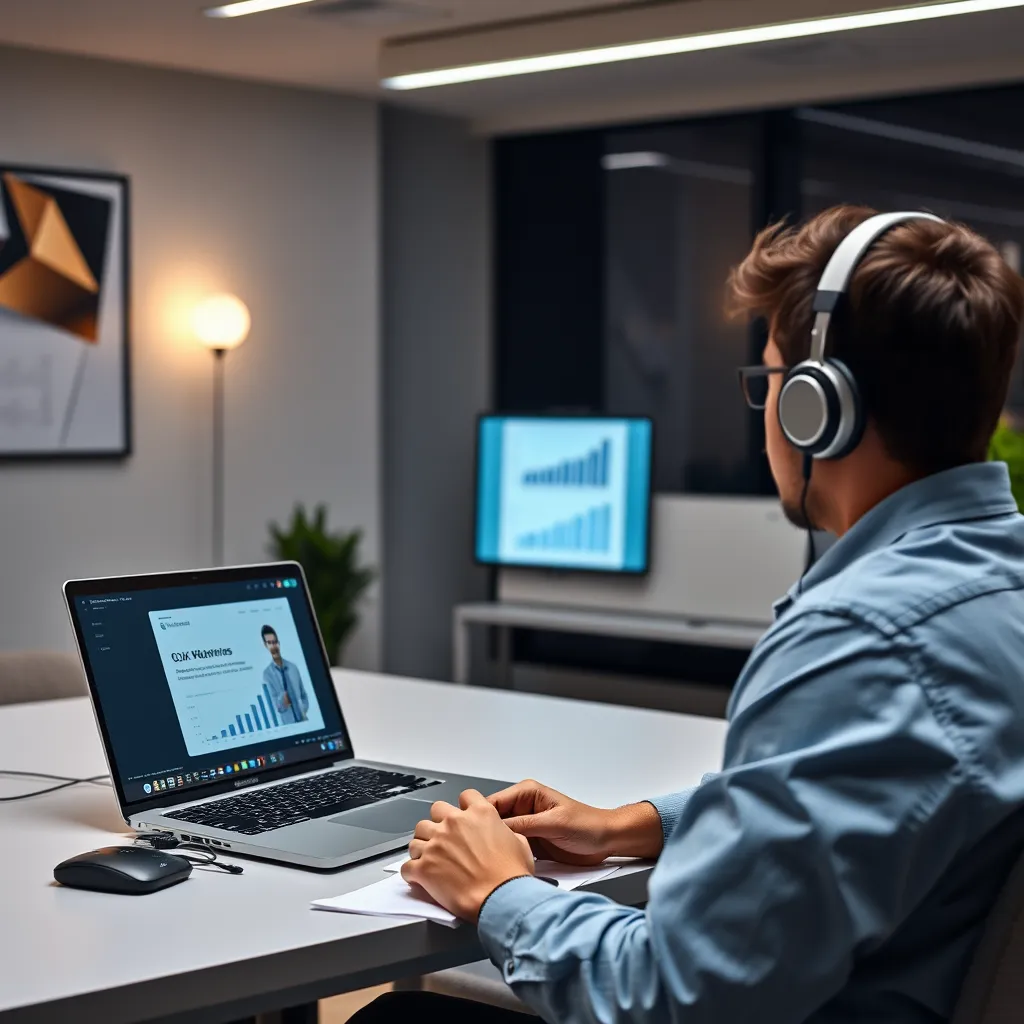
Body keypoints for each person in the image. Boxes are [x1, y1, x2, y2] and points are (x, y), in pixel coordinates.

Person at [352, 206, 1024, 1024]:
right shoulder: (997, 589)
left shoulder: (861, 642)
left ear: (820, 405)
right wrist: (631, 825)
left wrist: (500, 891)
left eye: (771, 381)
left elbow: (673, 997)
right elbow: (855, 804)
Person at [261, 625, 309, 724]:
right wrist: (283, 699)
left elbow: (303, 695)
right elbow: (276, 707)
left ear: (279, 643)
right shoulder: (267, 674)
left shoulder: (293, 667)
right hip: (289, 727)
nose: (273, 646)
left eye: (274, 642)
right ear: (265, 645)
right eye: (269, 643)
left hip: (304, 722)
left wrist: (302, 709)